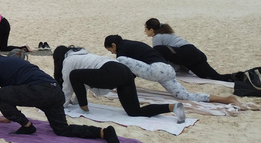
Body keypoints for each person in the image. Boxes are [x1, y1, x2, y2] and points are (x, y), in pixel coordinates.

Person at [0, 47, 121, 143]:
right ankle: (102, 132)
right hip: (55, 91)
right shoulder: (8, 62)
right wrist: (9, 116)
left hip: (41, 91)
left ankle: (27, 126)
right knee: (62, 129)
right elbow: (13, 91)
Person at [53, 46, 186, 123]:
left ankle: (84, 108)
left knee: (74, 75)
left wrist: (62, 104)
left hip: (112, 72)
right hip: (124, 72)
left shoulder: (69, 61)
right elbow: (86, 82)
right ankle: (172, 107)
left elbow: (68, 86)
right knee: (134, 111)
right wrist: (75, 101)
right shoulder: (84, 56)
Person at [103, 35, 240, 105]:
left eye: (110, 49)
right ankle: (226, 99)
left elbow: (126, 70)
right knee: (185, 97)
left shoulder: (122, 50)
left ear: (114, 45)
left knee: (119, 61)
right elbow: (133, 72)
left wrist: (113, 85)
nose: (111, 52)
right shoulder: (132, 45)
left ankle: (108, 85)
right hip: (167, 70)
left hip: (155, 70)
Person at [144, 18, 261, 82]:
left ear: (151, 30)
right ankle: (242, 76)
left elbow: (161, 56)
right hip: (195, 53)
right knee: (214, 76)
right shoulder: (167, 34)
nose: (145, 31)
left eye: (146, 29)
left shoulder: (157, 37)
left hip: (188, 53)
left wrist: (170, 71)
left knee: (157, 50)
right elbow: (174, 55)